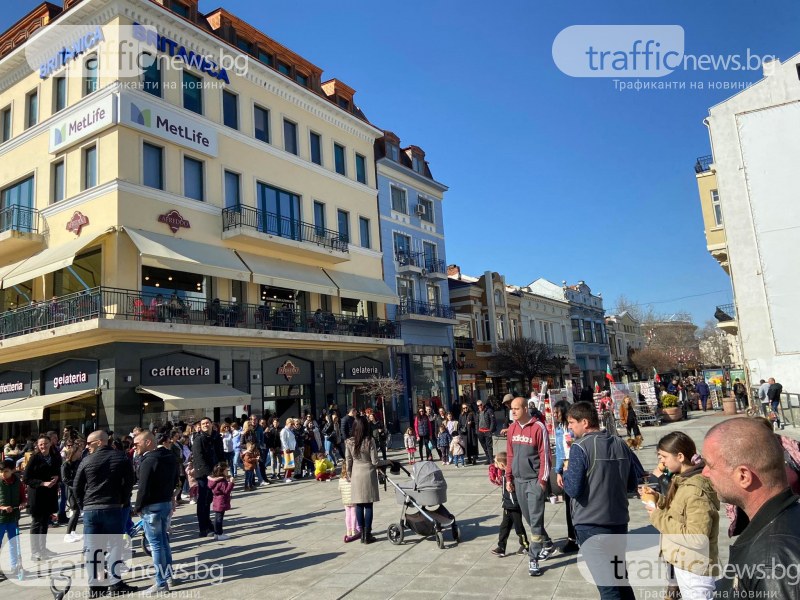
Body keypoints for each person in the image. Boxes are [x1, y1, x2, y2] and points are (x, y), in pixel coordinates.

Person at [702, 418, 800, 599]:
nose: (704, 473)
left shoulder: (772, 562)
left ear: (744, 476)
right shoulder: (786, 517)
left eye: (710, 465)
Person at [563, 402, 643, 600]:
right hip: (618, 522)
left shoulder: (580, 447)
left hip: (591, 524)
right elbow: (632, 483)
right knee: (620, 580)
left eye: (572, 422)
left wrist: (566, 473)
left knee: (608, 588)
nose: (570, 427)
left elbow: (573, 489)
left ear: (585, 422)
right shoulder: (620, 443)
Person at [642, 432, 718, 600]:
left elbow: (697, 536)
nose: (661, 462)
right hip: (686, 563)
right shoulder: (683, 480)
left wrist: (656, 516)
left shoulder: (694, 489)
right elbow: (680, 511)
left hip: (695, 569)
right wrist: (659, 499)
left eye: (664, 456)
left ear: (680, 456)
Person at [75, 430, 137, 597]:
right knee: (115, 545)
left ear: (100, 442)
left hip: (91, 508)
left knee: (92, 548)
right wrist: (124, 499)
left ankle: (96, 587)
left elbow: (77, 486)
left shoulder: (86, 460)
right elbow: (130, 480)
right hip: (112, 506)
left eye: (89, 443)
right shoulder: (121, 457)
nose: (87, 446)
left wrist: (83, 505)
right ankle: (115, 584)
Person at [505, 397, 552, 577]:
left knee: (535, 517)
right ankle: (547, 543)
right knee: (530, 519)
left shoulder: (538, 428)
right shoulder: (512, 428)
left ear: (525, 408)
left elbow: (545, 456)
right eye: (512, 409)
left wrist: (542, 482)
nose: (513, 412)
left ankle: (533, 557)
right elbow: (510, 455)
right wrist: (508, 477)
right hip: (518, 481)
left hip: (534, 481)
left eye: (516, 408)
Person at [133, 431, 179, 596]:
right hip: (165, 503)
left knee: (157, 545)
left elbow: (143, 487)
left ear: (147, 442)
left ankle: (161, 582)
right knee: (164, 541)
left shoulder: (149, 460)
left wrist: (137, 507)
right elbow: (175, 479)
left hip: (152, 507)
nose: (134, 447)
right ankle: (169, 576)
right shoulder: (169, 456)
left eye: (137, 443)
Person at [23, 434, 61, 562]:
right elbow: (26, 478)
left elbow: (58, 472)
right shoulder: (35, 458)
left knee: (45, 522)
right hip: (37, 494)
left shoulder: (55, 457)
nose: (43, 446)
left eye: (45, 443)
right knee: (36, 523)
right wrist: (42, 483)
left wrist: (57, 477)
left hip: (49, 494)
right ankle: (35, 551)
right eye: (40, 444)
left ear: (50, 443)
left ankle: (43, 548)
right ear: (38, 446)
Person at [345, 416, 380, 544]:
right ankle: (368, 533)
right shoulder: (369, 441)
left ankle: (362, 533)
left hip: (356, 473)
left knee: (358, 504)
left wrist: (348, 474)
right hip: (368, 473)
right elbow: (375, 461)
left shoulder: (349, 442)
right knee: (368, 504)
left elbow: (348, 459)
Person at [488, 451, 529, 558]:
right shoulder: (503, 473)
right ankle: (501, 547)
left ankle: (525, 545)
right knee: (504, 527)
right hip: (507, 505)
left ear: (502, 465)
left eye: (496, 462)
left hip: (514, 505)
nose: (494, 464)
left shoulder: (512, 475)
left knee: (518, 527)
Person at [552, 401, 579, 553]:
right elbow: (560, 452)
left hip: (577, 466)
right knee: (569, 506)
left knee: (579, 505)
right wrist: (558, 471)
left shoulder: (572, 427)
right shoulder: (559, 429)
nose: (555, 415)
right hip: (567, 468)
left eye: (557, 412)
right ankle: (572, 539)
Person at [0, 457, 27, 580]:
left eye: (5, 471)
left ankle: (15, 566)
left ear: (13, 470)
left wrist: (23, 503)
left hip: (13, 518)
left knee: (13, 544)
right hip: (1, 519)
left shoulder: (18, 482)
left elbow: (23, 498)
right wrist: (3, 507)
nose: (2, 474)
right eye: (1, 471)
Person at [191, 418, 218, 539]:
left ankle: (208, 523)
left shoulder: (213, 437)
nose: (206, 425)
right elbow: (199, 458)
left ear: (211, 424)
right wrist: (209, 474)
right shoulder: (199, 439)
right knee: (203, 500)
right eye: (203, 424)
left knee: (209, 499)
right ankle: (203, 527)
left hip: (213, 472)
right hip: (203, 474)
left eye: (207, 423)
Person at [61, 438, 85, 543]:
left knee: (77, 511)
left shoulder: (79, 463)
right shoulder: (66, 464)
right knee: (75, 510)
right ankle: (67, 534)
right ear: (74, 452)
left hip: (78, 489)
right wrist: (75, 485)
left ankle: (73, 532)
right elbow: (65, 479)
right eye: (79, 451)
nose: (81, 452)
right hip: (71, 490)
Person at [208, 462, 234, 542]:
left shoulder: (214, 480)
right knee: (219, 519)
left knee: (217, 518)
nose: (227, 471)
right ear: (222, 471)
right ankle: (219, 534)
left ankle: (217, 533)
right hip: (221, 501)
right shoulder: (221, 481)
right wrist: (231, 483)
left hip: (217, 500)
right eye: (226, 470)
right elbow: (226, 491)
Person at [339, 461, 360, 543]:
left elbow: (339, 489)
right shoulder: (353, 478)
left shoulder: (341, 479)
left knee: (347, 515)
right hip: (353, 498)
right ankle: (354, 530)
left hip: (345, 499)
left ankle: (348, 530)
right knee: (354, 514)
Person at [475, 399, 496, 465]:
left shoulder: (489, 411)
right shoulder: (477, 412)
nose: (479, 406)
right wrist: (477, 431)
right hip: (480, 432)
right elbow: (476, 422)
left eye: (480, 405)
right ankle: (488, 458)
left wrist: (491, 430)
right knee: (484, 446)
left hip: (487, 431)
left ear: (483, 404)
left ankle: (491, 460)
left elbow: (493, 421)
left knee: (489, 446)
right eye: (478, 405)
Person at [280, 418, 296, 482]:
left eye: (293, 424)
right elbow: (283, 440)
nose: (292, 425)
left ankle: (289, 476)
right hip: (287, 449)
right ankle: (286, 477)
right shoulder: (284, 430)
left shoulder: (290, 430)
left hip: (291, 448)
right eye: (291, 424)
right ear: (287, 423)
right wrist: (286, 448)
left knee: (291, 463)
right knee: (288, 463)